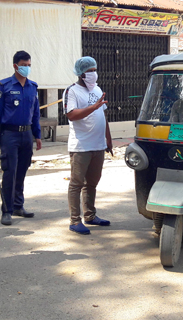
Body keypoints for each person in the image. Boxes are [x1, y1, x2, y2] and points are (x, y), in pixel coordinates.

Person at [0, 51, 42, 225]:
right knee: (10, 171)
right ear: (15, 66)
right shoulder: (4, 86)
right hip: (9, 134)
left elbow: (35, 114)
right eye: (23, 65)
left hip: (26, 135)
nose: (27, 68)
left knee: (22, 170)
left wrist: (37, 134)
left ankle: (18, 205)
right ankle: (7, 210)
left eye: (29, 65)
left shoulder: (33, 87)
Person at [63, 56, 113, 235]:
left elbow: (102, 116)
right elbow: (71, 115)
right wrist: (93, 107)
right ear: (80, 73)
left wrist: (108, 138)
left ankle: (90, 215)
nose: (93, 73)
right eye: (89, 71)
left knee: (92, 182)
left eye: (94, 70)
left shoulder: (98, 90)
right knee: (77, 183)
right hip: (81, 146)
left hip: (98, 144)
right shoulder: (72, 91)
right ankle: (75, 220)